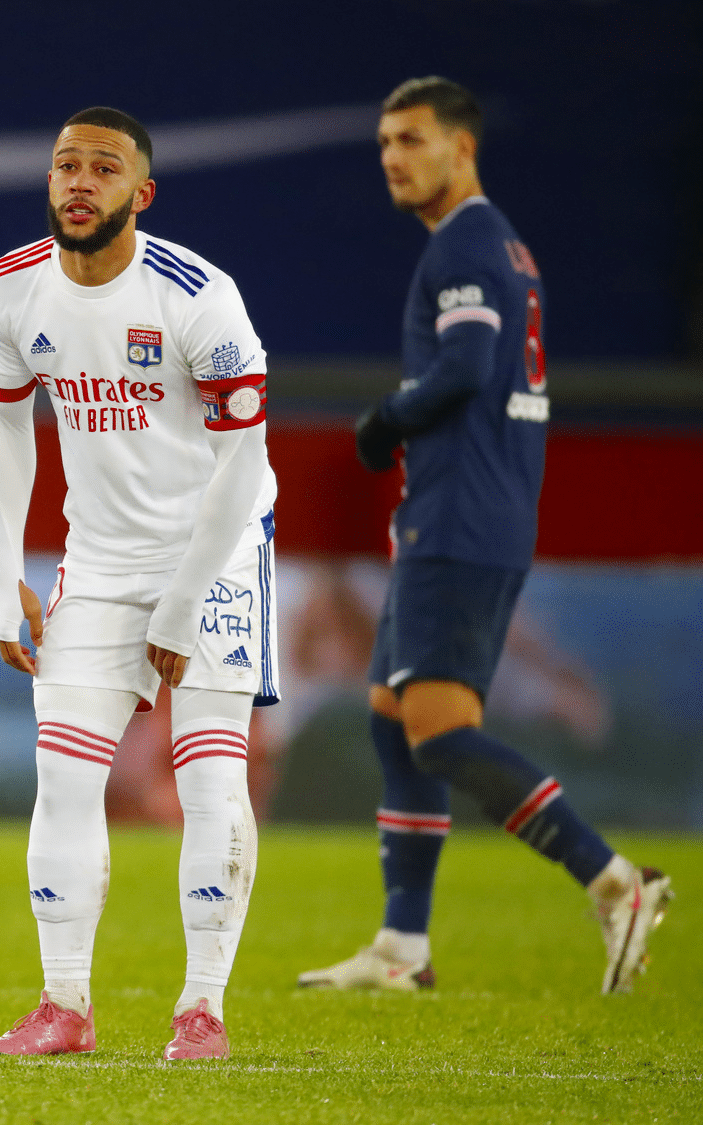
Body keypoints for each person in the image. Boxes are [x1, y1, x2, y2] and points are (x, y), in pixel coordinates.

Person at [298, 77, 671, 995]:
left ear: (461, 148)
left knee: (438, 732)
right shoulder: (495, 243)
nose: (393, 155)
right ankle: (402, 945)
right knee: (393, 722)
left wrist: (384, 419)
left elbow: (463, 366)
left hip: (461, 518)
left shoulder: (466, 242)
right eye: (384, 140)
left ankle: (615, 879)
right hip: (464, 511)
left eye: (412, 138)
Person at [0, 106, 279, 1061]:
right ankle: (64, 1007)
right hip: (97, 562)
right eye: (66, 164)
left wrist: (185, 601)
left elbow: (243, 456)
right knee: (63, 775)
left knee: (209, 775)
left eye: (104, 168)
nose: (79, 180)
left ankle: (202, 1011)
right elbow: (6, 433)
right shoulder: (8, 290)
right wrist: (0, 579)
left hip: (217, 552)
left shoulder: (199, 295)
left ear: (140, 195)